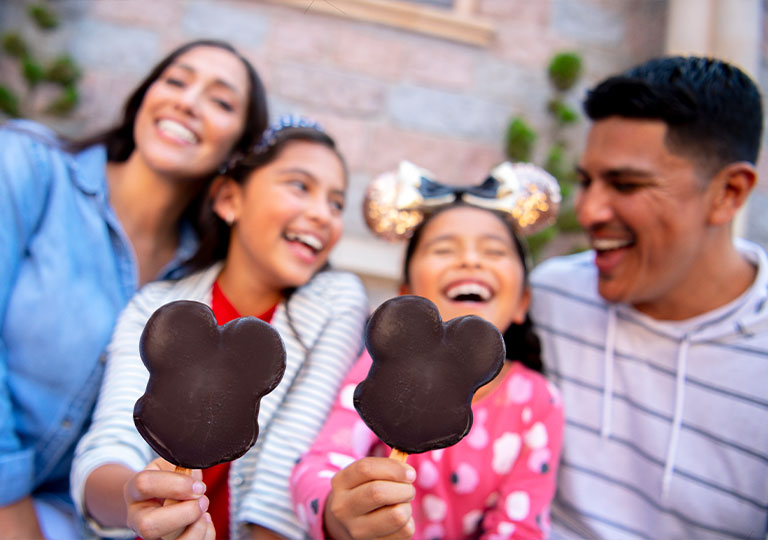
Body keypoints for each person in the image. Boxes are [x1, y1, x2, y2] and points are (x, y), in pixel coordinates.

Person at [0, 39, 267, 539]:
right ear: (144, 97)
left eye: (220, 101)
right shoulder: (29, 166)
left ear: (237, 152)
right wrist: (10, 511)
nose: (187, 102)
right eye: (176, 81)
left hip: (70, 515)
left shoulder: (200, 281)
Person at [70, 116, 369, 540]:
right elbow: (111, 442)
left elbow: (287, 464)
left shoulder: (336, 302)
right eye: (300, 186)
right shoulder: (155, 308)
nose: (323, 214)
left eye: (336, 204)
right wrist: (133, 497)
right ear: (230, 199)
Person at [529, 55, 768, 539]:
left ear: (729, 192)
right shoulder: (549, 296)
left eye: (626, 184)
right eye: (586, 181)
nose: (588, 211)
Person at [290, 161, 565, 539]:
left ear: (523, 302)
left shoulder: (537, 402)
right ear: (407, 297)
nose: (470, 260)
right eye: (444, 248)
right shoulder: (378, 365)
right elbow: (321, 462)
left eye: (493, 250)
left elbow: (520, 528)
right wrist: (340, 518)